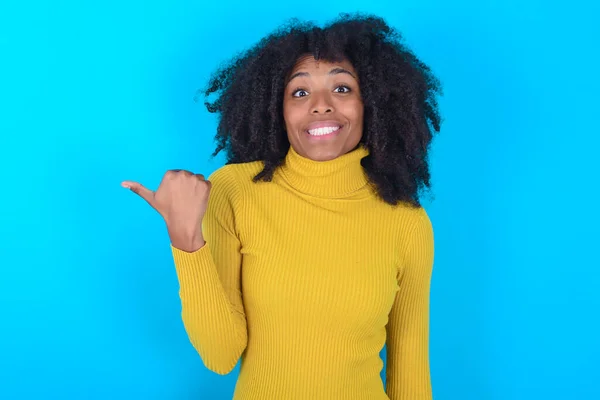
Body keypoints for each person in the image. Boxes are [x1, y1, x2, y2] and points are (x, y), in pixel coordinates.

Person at [122, 12, 442, 400]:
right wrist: (186, 240)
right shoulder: (235, 190)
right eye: (300, 92)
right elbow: (220, 355)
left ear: (372, 103)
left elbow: (410, 372)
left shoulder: (407, 221)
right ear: (278, 110)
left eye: (342, 88)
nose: (321, 106)